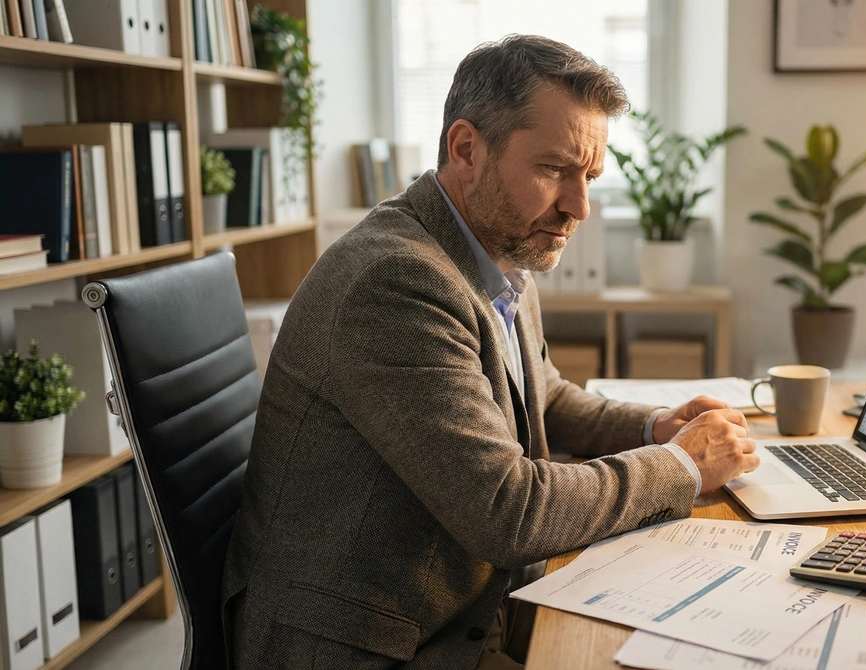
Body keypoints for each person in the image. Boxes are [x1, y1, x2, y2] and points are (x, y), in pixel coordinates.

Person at [221, 34, 759, 669]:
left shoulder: (496, 252)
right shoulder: (396, 282)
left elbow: (544, 396)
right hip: (363, 645)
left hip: (451, 606)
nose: (578, 205)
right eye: (555, 168)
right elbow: (510, 512)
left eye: (589, 176)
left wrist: (651, 427)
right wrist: (680, 466)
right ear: (467, 149)